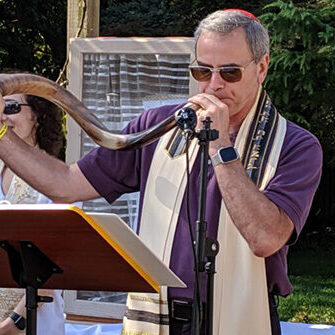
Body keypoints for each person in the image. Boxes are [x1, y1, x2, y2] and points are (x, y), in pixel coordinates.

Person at [0, 9, 322, 335]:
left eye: (230, 73)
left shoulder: (296, 146)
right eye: (202, 71)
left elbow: (265, 238)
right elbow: (65, 184)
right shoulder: (159, 126)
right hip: (158, 316)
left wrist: (221, 147)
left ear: (262, 67)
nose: (213, 85)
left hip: (242, 317)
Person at [0, 94, 65, 335]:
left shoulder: (58, 178)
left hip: (35, 325)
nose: (3, 115)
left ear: (37, 115)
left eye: (11, 107)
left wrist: (15, 323)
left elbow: (58, 263)